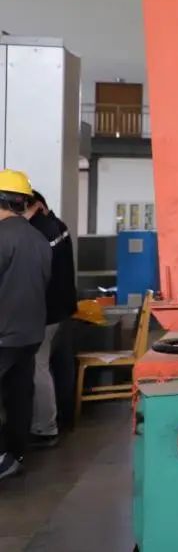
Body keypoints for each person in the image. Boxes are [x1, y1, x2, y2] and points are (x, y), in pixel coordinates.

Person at [0, 170, 52, 481]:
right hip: (30, 333)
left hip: (4, 333)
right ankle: (14, 456)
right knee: (19, 394)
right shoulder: (38, 238)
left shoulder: (2, 237)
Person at [24, 190, 77, 448]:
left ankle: (45, 428)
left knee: (38, 368)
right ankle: (64, 416)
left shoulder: (38, 232)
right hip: (63, 310)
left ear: (34, 205)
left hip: (47, 313)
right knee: (61, 365)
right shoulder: (58, 227)